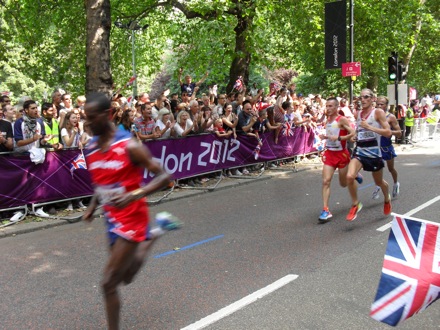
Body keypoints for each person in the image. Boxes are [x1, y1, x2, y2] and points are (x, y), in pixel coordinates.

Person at [82, 92, 181, 330]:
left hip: (133, 217)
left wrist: (135, 194)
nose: (87, 123)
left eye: (92, 117)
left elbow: (166, 176)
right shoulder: (92, 148)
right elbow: (103, 182)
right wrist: (92, 206)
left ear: (108, 115)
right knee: (126, 277)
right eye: (85, 118)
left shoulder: (129, 145)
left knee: (108, 283)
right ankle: (156, 233)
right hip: (111, 219)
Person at [346, 89, 392, 221]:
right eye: (361, 97)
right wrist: (354, 136)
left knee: (379, 182)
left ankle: (387, 198)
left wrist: (370, 127)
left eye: (366, 97)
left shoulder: (378, 112)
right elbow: (358, 130)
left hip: (374, 153)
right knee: (350, 176)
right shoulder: (358, 113)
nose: (363, 99)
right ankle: (356, 204)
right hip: (360, 150)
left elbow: (388, 132)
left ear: (373, 99)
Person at [318, 97, 356, 221]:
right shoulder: (328, 120)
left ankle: (355, 175)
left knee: (343, 183)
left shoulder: (342, 119)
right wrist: (325, 137)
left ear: (336, 107)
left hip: (341, 154)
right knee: (326, 181)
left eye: (330, 106)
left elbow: (352, 133)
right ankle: (325, 209)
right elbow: (331, 135)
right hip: (330, 154)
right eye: (327, 106)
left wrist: (339, 139)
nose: (328, 108)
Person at [371, 96, 402, 200]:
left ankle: (396, 183)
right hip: (376, 147)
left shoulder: (391, 117)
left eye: (382, 104)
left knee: (390, 168)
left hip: (386, 147)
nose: (379, 106)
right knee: (376, 169)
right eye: (378, 104)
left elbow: (399, 133)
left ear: (387, 105)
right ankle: (378, 186)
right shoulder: (373, 116)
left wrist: (388, 132)